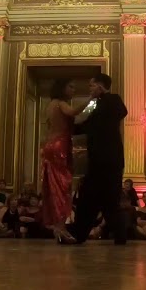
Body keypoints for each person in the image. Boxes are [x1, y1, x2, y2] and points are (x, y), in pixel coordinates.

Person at [68, 74, 129, 244]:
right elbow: (87, 125)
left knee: (104, 199)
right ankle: (81, 234)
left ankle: (83, 234)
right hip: (99, 160)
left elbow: (121, 112)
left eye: (91, 85)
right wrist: (67, 127)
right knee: (93, 199)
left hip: (109, 161)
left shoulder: (113, 100)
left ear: (100, 86)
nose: (89, 89)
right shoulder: (98, 106)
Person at [41, 79, 87, 243]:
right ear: (62, 88)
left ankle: (59, 227)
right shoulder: (61, 103)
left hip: (50, 145)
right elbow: (73, 112)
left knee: (55, 186)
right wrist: (91, 100)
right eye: (71, 86)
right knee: (62, 186)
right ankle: (60, 227)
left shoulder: (50, 105)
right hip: (59, 146)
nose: (73, 90)